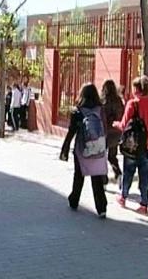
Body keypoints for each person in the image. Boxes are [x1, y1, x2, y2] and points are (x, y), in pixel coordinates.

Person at [59, 83, 108, 219]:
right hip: (98, 147)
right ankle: (101, 207)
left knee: (79, 175)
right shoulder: (100, 110)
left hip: (82, 149)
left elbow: (71, 131)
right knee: (97, 177)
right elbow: (104, 129)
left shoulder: (78, 111)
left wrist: (65, 147)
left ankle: (74, 200)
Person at [113, 76, 148, 215]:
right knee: (145, 175)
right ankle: (144, 204)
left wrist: (115, 124)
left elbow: (123, 124)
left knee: (128, 172)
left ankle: (123, 197)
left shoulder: (132, 104)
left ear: (137, 89)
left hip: (133, 146)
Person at [101, 79, 124, 182]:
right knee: (112, 156)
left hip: (104, 133)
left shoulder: (103, 101)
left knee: (102, 157)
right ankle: (118, 174)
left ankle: (104, 179)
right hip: (116, 132)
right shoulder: (118, 100)